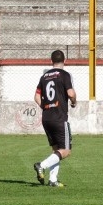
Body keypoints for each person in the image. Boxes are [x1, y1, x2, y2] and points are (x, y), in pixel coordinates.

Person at [32, 50, 77, 187]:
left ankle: (53, 180)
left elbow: (36, 97)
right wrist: (74, 102)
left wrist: (46, 107)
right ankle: (42, 165)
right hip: (59, 117)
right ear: (65, 60)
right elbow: (71, 93)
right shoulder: (65, 75)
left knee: (56, 149)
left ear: (51, 61)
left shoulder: (44, 76)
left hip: (46, 117)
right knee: (66, 150)